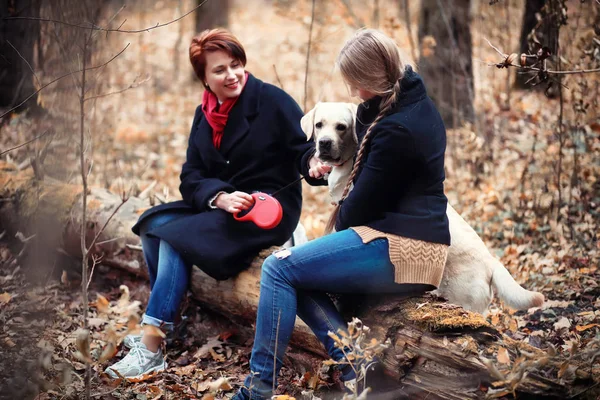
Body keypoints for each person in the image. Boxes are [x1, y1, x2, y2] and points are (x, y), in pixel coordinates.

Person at [232, 29, 451, 400]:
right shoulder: (393, 105)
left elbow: (353, 212)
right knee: (291, 269)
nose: (352, 92)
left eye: (355, 82)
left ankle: (257, 389)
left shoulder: (398, 128)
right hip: (390, 235)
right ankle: (356, 363)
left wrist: (340, 180)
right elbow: (353, 164)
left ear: (373, 77)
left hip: (407, 250)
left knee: (278, 267)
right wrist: (319, 164)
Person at [106, 28, 323, 380]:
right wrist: (219, 197)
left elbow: (305, 153)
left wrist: (314, 165)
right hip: (223, 208)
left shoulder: (273, 101)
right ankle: (169, 321)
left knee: (176, 239)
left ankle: (151, 347)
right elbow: (190, 176)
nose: (232, 75)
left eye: (236, 65)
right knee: (152, 225)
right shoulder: (203, 114)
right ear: (204, 79)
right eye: (219, 70)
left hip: (266, 210)